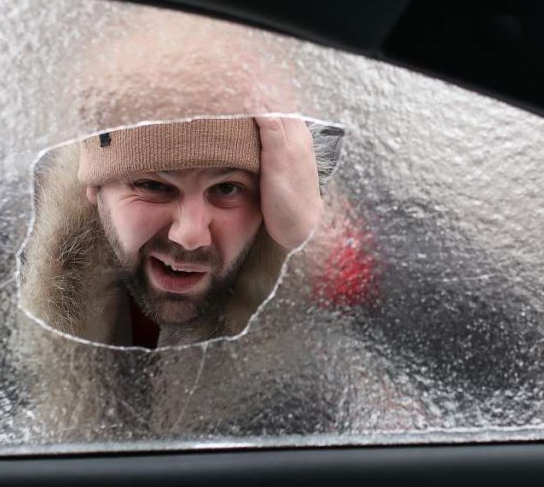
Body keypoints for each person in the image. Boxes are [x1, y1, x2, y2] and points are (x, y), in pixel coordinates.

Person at [20, 115, 330, 348]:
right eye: (154, 186)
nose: (190, 235)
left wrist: (304, 246)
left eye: (226, 188)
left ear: (268, 196)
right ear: (95, 186)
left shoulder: (350, 288)